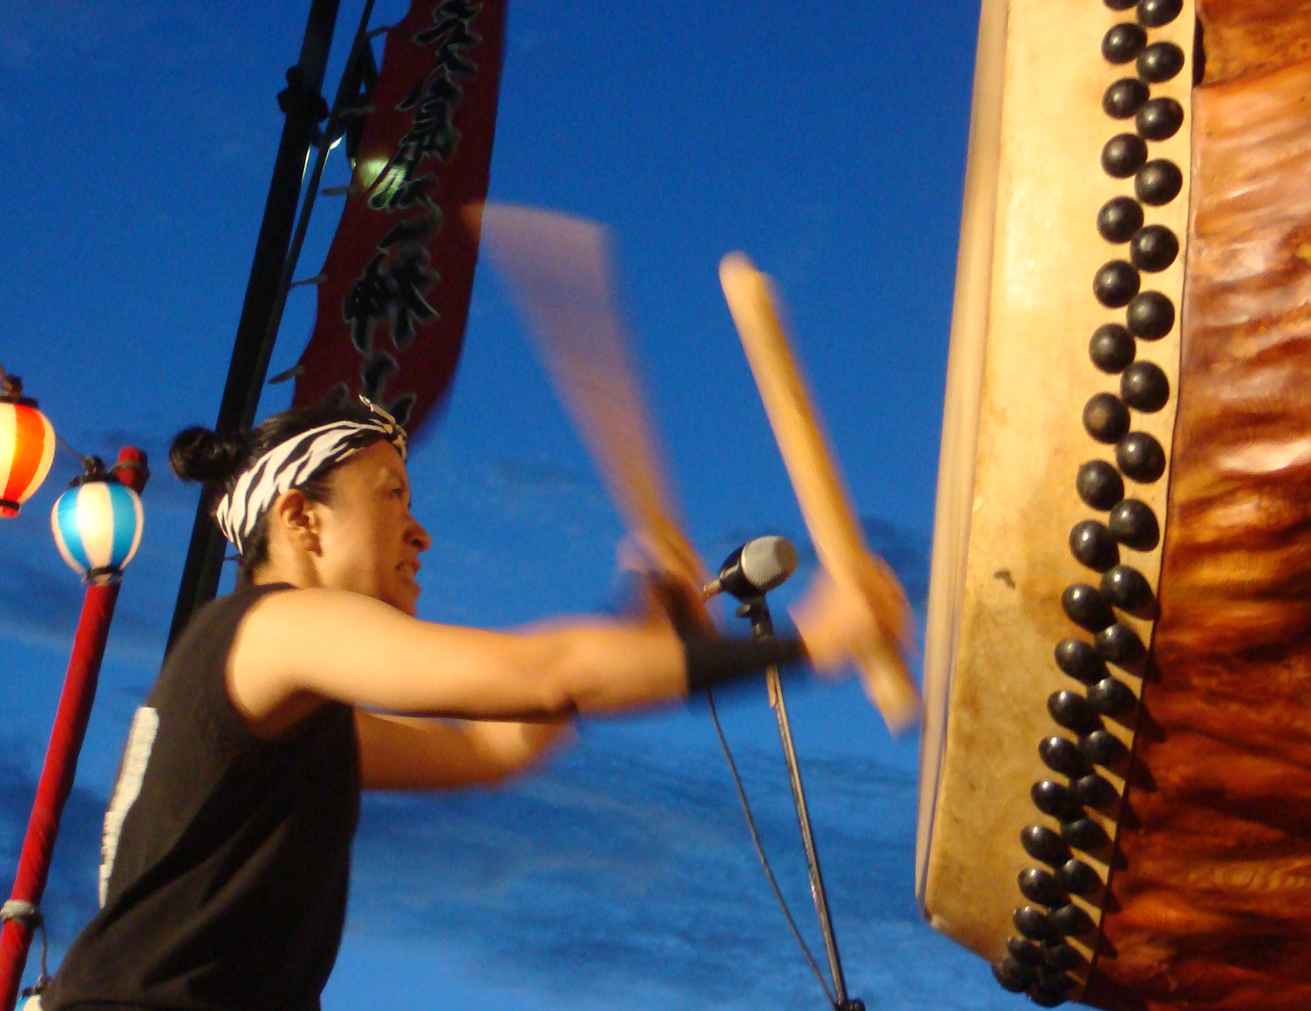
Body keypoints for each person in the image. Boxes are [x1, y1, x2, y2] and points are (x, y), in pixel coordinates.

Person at [44, 395, 904, 1011]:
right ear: (302, 521)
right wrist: (809, 642)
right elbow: (546, 675)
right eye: (390, 498)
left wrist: (642, 637)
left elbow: (492, 750)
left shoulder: (281, 692)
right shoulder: (272, 629)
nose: (419, 533)